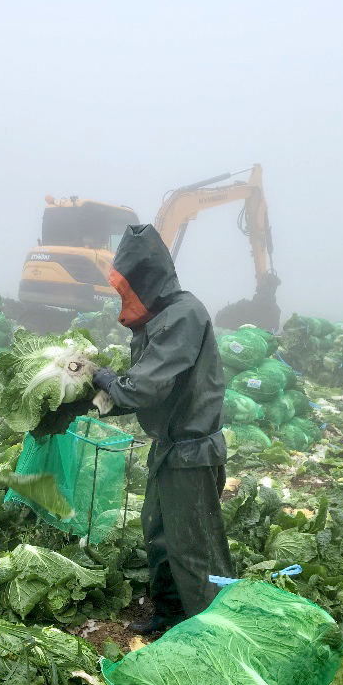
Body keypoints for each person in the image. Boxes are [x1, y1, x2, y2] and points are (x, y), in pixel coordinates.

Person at [90, 224, 233, 634]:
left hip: (192, 453)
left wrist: (102, 379)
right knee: (159, 533)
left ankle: (214, 630)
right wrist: (99, 399)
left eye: (128, 286)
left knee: (195, 549)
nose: (124, 298)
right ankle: (170, 617)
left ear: (147, 279)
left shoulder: (184, 315)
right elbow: (147, 392)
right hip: (168, 449)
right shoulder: (163, 315)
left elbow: (142, 387)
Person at [214, 271, 281, 332]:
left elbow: (220, 318)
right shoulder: (274, 311)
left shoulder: (244, 307)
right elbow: (272, 331)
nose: (265, 287)